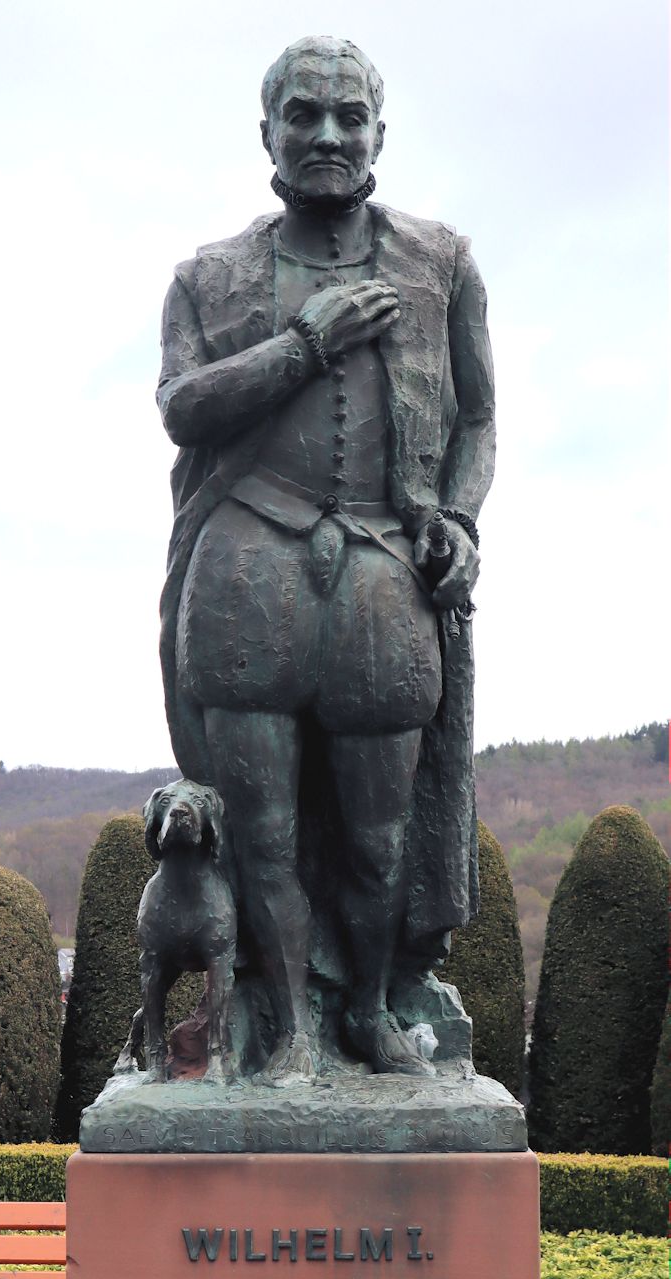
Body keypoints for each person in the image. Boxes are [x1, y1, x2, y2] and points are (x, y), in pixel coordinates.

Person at [155, 35, 495, 1085]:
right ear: (268, 132)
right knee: (256, 826)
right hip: (246, 558)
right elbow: (181, 408)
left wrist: (460, 517)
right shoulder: (207, 276)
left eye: (348, 117)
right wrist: (301, 344)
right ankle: (285, 1025)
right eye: (302, 115)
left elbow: (478, 419)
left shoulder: (439, 264)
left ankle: (365, 1009)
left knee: (380, 832)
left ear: (378, 133)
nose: (327, 136)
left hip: (381, 569)